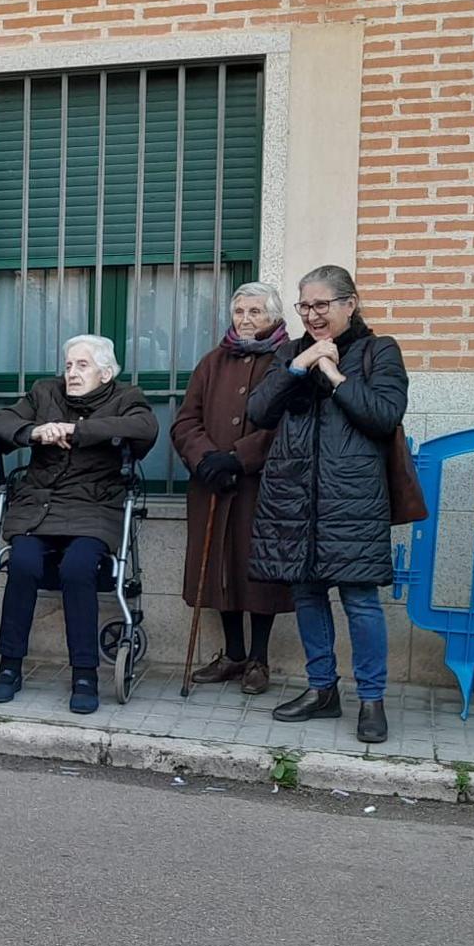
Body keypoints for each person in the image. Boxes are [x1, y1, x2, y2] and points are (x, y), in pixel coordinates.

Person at [248, 265, 409, 744]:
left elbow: (384, 416)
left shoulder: (380, 351)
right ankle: (322, 690)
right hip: (293, 494)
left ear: (349, 304)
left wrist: (335, 375)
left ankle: (372, 699)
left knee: (360, 600)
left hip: (352, 497)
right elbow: (258, 412)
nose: (312, 315)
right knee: (306, 594)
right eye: (305, 306)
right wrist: (300, 365)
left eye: (322, 305)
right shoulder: (288, 353)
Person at [0, 336, 157, 715]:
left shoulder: (126, 397)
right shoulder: (45, 392)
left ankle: (85, 674)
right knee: (22, 562)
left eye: (82, 365)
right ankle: (9, 666)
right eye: (69, 365)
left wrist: (75, 430)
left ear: (105, 374)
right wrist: (35, 431)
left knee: (78, 568)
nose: (72, 373)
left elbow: (145, 428)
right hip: (39, 509)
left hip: (94, 509)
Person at [172, 281, 295, 696]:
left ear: (274, 316)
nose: (245, 319)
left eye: (255, 311)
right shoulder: (213, 361)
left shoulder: (288, 358)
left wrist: (239, 457)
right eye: (239, 311)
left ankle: (259, 659)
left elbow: (289, 424)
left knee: (259, 571)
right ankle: (234, 654)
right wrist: (206, 458)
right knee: (220, 567)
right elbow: (186, 420)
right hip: (212, 484)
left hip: (264, 487)